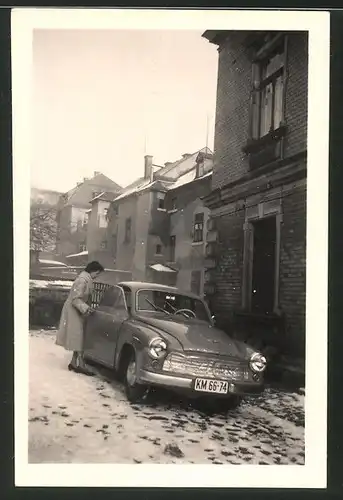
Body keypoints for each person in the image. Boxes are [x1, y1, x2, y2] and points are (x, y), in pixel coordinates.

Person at [56, 261, 104, 375]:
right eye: (97, 273)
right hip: (74, 310)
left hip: (77, 310)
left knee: (79, 338)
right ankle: (80, 365)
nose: (97, 276)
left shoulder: (85, 280)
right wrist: (86, 308)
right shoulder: (82, 281)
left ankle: (74, 363)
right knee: (79, 337)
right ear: (92, 271)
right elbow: (75, 299)